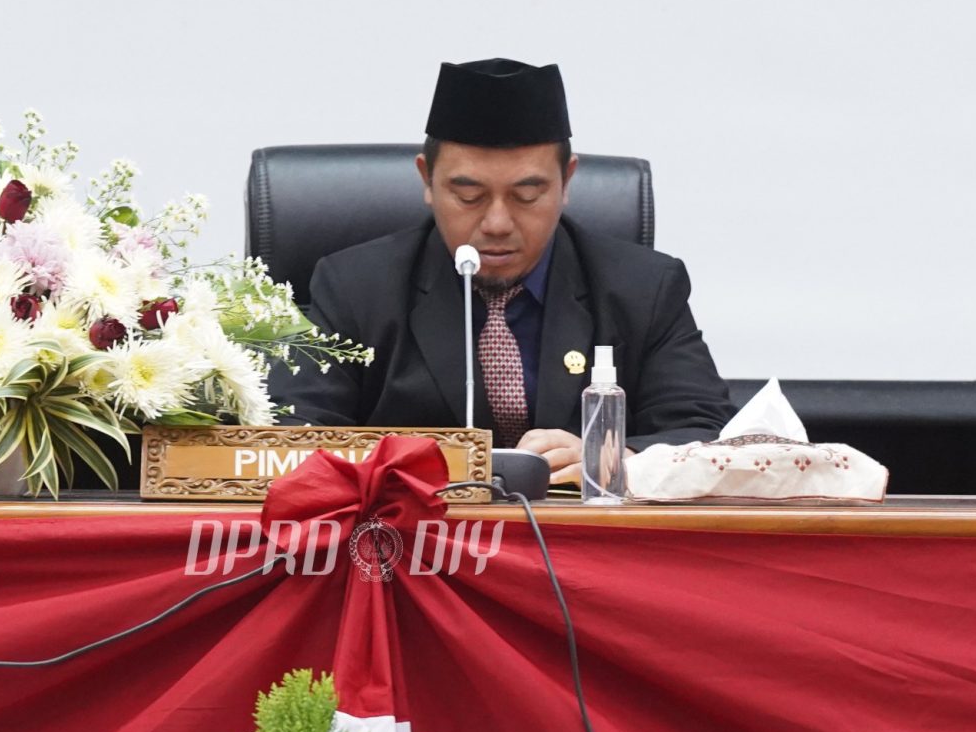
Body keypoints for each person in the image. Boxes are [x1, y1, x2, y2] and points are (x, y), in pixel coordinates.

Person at [273, 58, 731, 480]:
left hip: (584, 544)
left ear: (567, 181)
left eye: (527, 195)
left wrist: (618, 458)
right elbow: (293, 437)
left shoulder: (643, 287)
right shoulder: (355, 287)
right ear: (426, 181)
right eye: (468, 196)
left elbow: (706, 434)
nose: (496, 224)